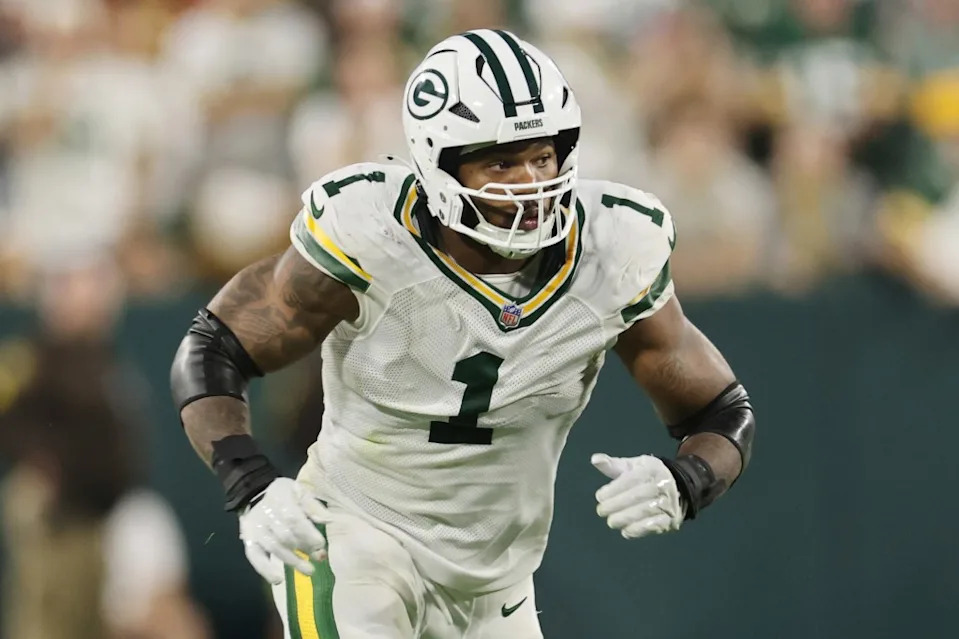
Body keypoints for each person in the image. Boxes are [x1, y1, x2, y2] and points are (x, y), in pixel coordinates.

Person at [171, 29, 755, 639]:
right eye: (500, 160)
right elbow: (214, 348)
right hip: (355, 536)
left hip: (497, 584)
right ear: (439, 162)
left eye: (541, 156)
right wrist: (251, 484)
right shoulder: (371, 236)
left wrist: (686, 481)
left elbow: (720, 410)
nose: (529, 181)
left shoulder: (612, 251)